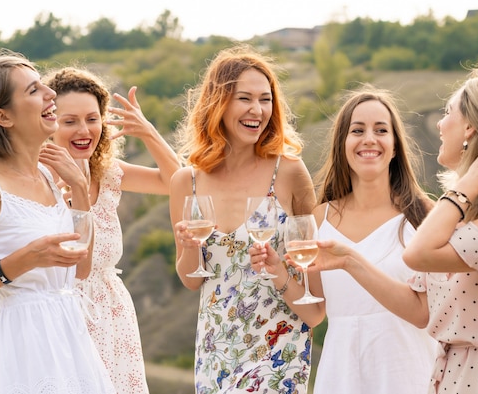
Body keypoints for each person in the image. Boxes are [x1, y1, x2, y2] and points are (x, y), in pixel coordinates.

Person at [313, 66, 478, 393]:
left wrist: (465, 185)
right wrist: (349, 260)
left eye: (448, 112)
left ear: (470, 129)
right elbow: (422, 311)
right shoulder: (460, 214)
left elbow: (418, 254)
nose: (439, 123)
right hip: (459, 376)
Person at [0, 49, 116, 392]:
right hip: (24, 342)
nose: (50, 95)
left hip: (71, 333)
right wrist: (20, 262)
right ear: (3, 116)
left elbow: (81, 269)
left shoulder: (49, 176)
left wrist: (78, 188)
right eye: (33, 90)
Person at [170, 44, 317, 393]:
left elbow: (314, 288)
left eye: (265, 99)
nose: (258, 110)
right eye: (245, 98)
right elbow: (192, 280)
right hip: (215, 349)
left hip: (279, 350)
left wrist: (279, 268)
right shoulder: (185, 182)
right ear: (218, 104)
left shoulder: (290, 172)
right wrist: (189, 247)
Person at [42, 66, 181, 393]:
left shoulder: (107, 172)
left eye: (92, 118)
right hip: (61, 315)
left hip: (113, 316)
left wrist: (149, 133)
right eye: (70, 120)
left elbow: (178, 184)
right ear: (48, 123)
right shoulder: (36, 180)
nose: (84, 130)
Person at [306, 86, 438, 393]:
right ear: (342, 144)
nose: (369, 138)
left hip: (409, 377)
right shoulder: (318, 219)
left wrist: (352, 262)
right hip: (341, 378)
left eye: (381, 130)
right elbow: (314, 311)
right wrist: (277, 271)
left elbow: (430, 313)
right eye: (357, 130)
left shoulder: (424, 216)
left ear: (394, 147)